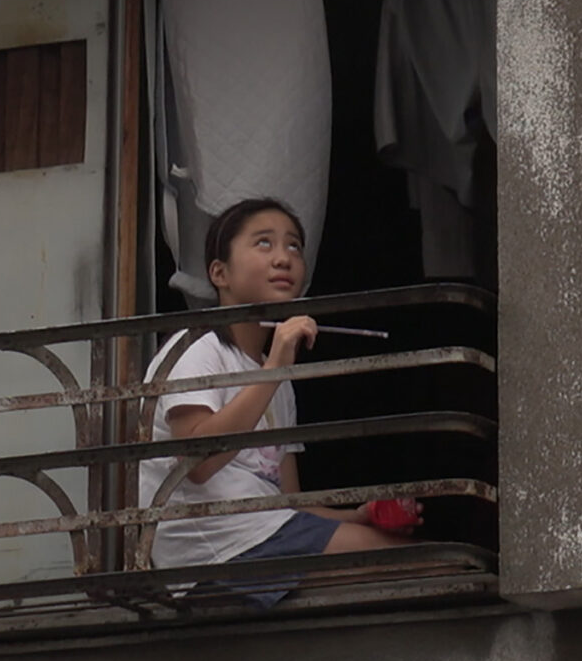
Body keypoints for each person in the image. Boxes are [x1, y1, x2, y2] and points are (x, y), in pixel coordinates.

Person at [140, 196, 418, 604]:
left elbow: (287, 502)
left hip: (265, 534)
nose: (283, 258)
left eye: (294, 246)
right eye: (264, 243)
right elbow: (195, 464)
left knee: (422, 562)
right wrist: (274, 369)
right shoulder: (196, 347)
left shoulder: (278, 379)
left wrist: (355, 514)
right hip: (217, 549)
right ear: (220, 273)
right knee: (420, 565)